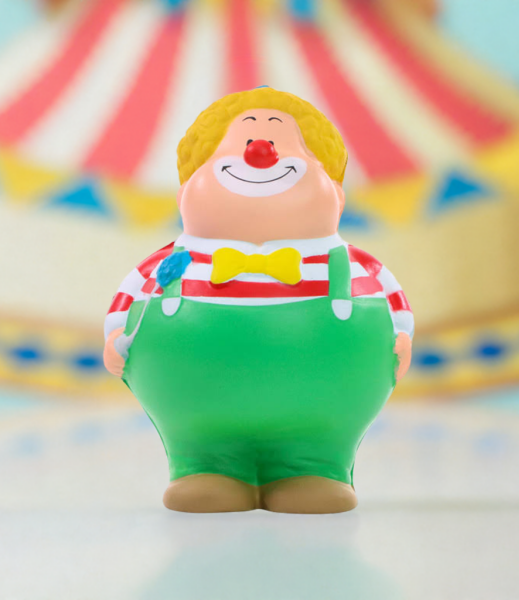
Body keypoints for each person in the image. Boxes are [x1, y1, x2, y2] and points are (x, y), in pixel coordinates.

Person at [104, 87, 413, 514]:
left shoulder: (351, 264)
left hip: (323, 410)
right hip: (195, 406)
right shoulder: (170, 263)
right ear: (186, 191)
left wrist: (402, 338)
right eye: (244, 140)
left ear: (336, 194)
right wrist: (115, 337)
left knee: (315, 462)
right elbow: (129, 300)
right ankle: (204, 466)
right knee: (203, 461)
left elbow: (394, 305)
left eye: (280, 141)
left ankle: (316, 467)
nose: (260, 152)